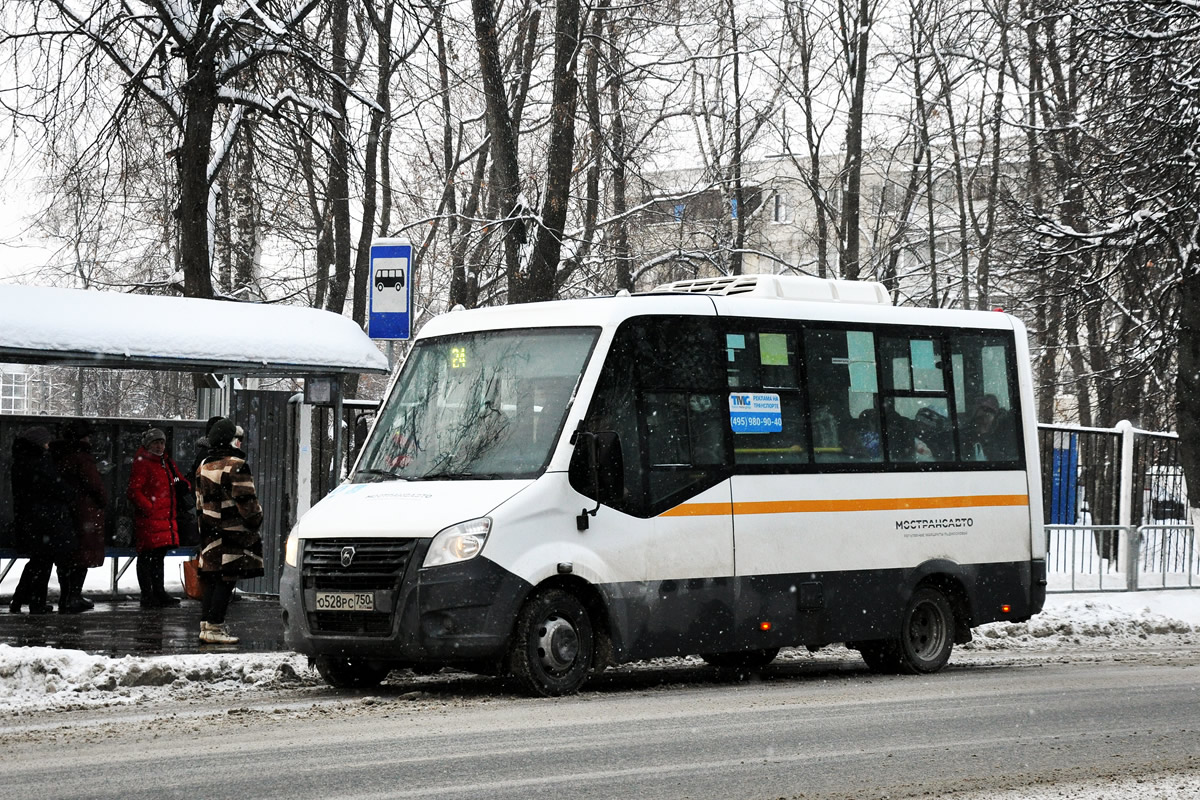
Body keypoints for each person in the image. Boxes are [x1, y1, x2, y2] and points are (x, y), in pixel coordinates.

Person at [194, 418, 263, 644]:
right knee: (227, 579)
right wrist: (255, 520)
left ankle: (206, 624)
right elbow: (246, 502)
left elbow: (199, 503)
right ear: (231, 438)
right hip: (232, 532)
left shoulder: (203, 465)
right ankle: (215, 626)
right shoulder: (236, 465)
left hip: (210, 531)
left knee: (212, 577)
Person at [7, 427, 76, 614]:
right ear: (38, 443)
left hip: (32, 520)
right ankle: (35, 602)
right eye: (46, 441)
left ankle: (21, 599)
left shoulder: (22, 460)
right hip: (46, 521)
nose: (48, 445)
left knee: (38, 562)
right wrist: (69, 492)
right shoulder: (39, 462)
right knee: (42, 563)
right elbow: (56, 486)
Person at [128, 428, 190, 608]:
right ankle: (148, 595)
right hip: (151, 519)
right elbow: (134, 491)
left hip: (164, 518)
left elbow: (181, 481)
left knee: (157, 556)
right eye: (155, 442)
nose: (159, 446)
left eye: (161, 442)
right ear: (148, 444)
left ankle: (157, 593)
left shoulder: (166, 462)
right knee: (148, 556)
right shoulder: (144, 463)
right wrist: (150, 508)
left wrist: (184, 486)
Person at [51, 421, 108, 614]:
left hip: (63, 511)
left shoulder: (58, 455)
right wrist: (102, 500)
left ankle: (66, 595)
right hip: (84, 512)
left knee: (66, 557)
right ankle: (73, 596)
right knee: (81, 556)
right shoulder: (82, 458)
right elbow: (94, 484)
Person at [964, 394, 1018, 461]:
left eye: (988, 411)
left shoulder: (1005, 436)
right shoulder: (965, 438)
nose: (983, 418)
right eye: (978, 418)